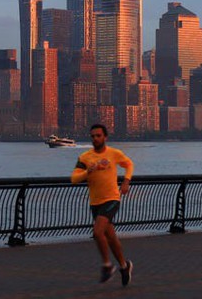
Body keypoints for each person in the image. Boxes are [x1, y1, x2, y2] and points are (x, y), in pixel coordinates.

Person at [70, 123, 134, 286]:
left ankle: (107, 266)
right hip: (95, 202)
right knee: (110, 237)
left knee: (98, 232)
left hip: (112, 198)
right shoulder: (85, 157)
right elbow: (74, 179)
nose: (95, 138)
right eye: (92, 136)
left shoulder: (114, 153)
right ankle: (124, 266)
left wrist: (126, 182)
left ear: (105, 137)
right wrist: (87, 172)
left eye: (98, 135)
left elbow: (129, 164)